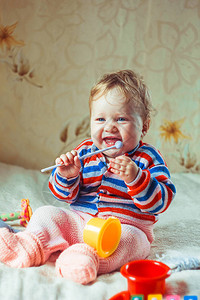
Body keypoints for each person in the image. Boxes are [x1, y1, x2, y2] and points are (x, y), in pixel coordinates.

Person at [0, 69, 176, 284]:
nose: (109, 126)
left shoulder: (148, 158)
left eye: (121, 119)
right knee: (48, 212)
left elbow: (161, 202)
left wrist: (136, 178)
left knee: (134, 242)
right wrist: (67, 175)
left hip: (122, 229)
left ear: (144, 126)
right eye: (100, 119)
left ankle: (85, 258)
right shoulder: (84, 153)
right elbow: (65, 196)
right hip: (82, 222)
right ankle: (30, 245)